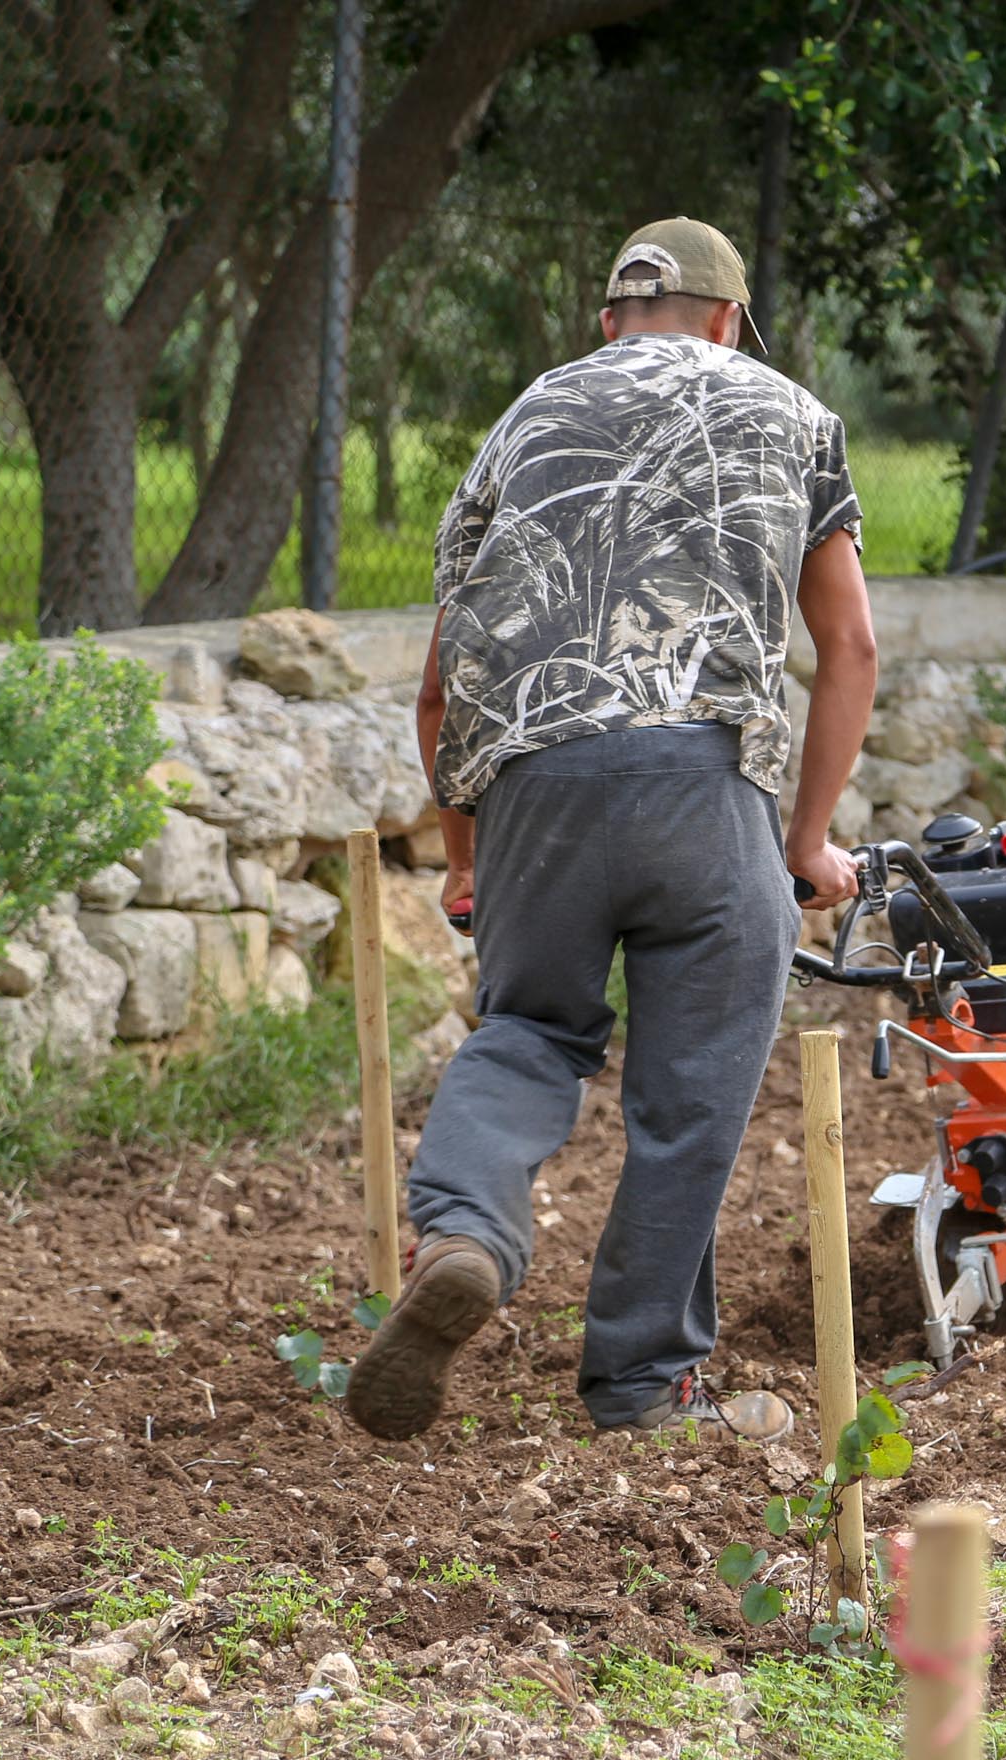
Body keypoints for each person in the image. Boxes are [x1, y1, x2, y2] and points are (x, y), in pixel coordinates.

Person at [345, 217, 876, 1446]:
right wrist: (806, 842)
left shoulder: (523, 420)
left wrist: (470, 861)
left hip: (536, 784)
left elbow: (443, 686)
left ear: (608, 322)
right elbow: (846, 646)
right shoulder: (793, 416)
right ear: (729, 321)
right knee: (688, 1103)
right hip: (706, 790)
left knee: (528, 1029)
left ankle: (468, 1231)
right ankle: (643, 1386)